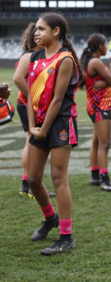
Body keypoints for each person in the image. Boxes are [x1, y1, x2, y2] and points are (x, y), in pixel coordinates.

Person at [26, 12, 83, 255]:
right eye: (36, 29)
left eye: (41, 29)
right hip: (38, 123)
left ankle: (66, 236)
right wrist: (31, 127)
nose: (35, 33)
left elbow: (58, 100)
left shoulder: (65, 59)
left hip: (60, 123)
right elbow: (30, 95)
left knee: (59, 178)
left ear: (56, 31)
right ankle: (50, 218)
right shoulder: (35, 57)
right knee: (33, 180)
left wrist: (44, 129)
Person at [12, 23, 54, 198]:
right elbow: (18, 79)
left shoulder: (32, 55)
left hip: (26, 103)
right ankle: (30, 183)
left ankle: (26, 183)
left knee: (29, 140)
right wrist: (34, 97)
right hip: (28, 104)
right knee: (32, 141)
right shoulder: (30, 56)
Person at [80, 33, 111, 191]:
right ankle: (105, 180)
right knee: (104, 144)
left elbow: (107, 81)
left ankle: (95, 175)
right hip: (100, 106)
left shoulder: (92, 60)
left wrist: (105, 81)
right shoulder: (95, 61)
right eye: (105, 44)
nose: (106, 46)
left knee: (96, 141)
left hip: (95, 105)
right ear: (100, 46)